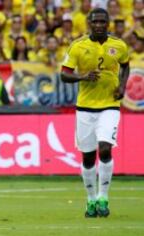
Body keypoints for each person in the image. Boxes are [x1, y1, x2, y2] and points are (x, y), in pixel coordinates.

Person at [61, 8, 130, 218]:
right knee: (88, 157)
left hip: (109, 105)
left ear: (108, 24)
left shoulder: (118, 45)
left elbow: (125, 66)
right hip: (85, 108)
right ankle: (90, 200)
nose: (99, 25)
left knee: (105, 148)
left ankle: (103, 197)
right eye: (95, 22)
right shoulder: (78, 46)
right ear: (89, 24)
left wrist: (122, 86)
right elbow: (64, 75)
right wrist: (82, 76)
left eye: (103, 22)